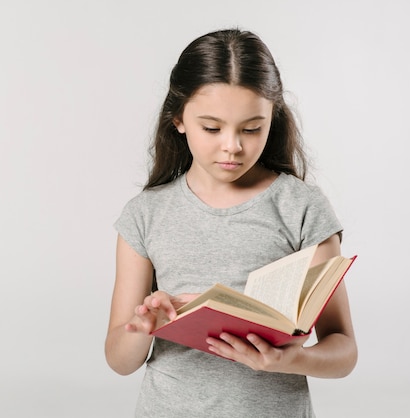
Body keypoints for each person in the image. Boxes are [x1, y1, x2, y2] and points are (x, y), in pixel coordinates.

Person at [105, 28, 357, 417]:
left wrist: (287, 360)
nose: (232, 146)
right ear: (178, 119)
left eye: (252, 128)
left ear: (273, 118)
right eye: (212, 128)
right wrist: (146, 326)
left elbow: (343, 351)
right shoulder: (146, 214)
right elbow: (119, 360)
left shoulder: (301, 207)